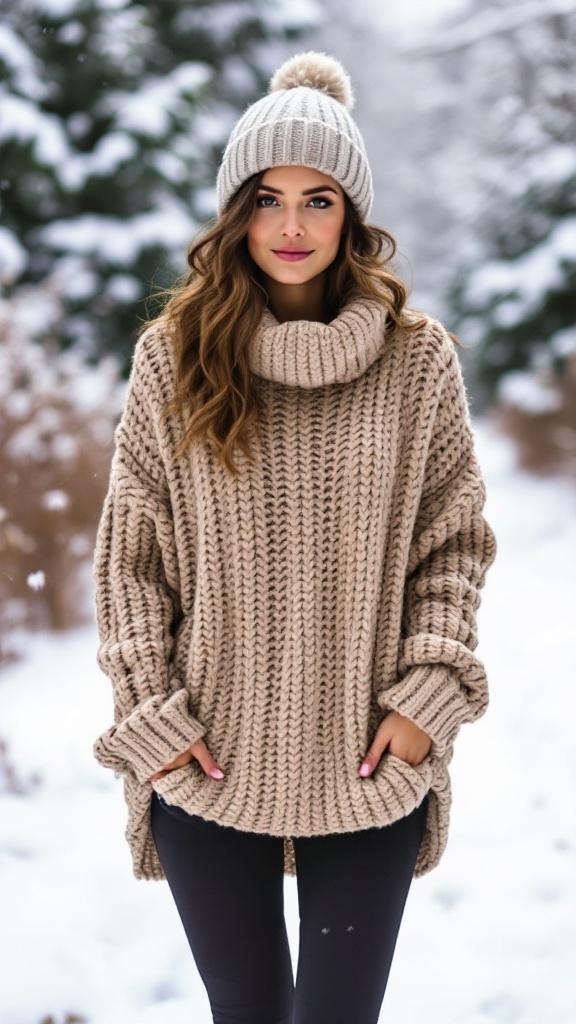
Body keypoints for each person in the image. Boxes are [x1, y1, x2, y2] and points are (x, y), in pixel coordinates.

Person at [92, 50, 497, 1024]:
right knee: (251, 1012)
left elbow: (453, 546)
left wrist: (428, 693)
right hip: (205, 761)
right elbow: (131, 563)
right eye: (268, 198)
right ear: (235, 213)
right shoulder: (177, 359)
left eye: (319, 199)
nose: (290, 225)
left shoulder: (416, 361)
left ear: (352, 214)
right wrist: (155, 723)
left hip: (369, 762)